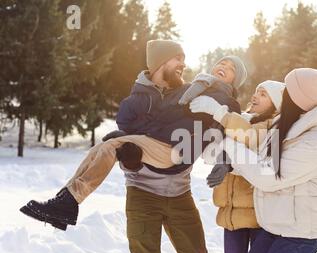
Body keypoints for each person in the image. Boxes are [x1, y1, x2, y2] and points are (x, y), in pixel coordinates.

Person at [20, 39, 246, 231]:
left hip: (176, 150)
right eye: (221, 62)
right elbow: (160, 118)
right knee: (100, 147)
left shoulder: (228, 101)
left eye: (231, 68)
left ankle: (68, 203)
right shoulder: (192, 89)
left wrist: (224, 162)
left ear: (234, 81)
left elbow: (229, 135)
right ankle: (64, 200)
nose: (223, 66)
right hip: (158, 142)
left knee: (110, 147)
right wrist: (128, 133)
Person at [190, 68, 317, 253]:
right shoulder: (286, 126)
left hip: (299, 235)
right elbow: (260, 160)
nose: (283, 94)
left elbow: (268, 176)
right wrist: (229, 164)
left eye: (288, 91)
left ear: (297, 98)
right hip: (274, 227)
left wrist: (228, 146)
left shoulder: (312, 141)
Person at [202, 80, 285, 253]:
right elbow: (211, 149)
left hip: (259, 219)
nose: (256, 96)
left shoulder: (271, 127)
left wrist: (228, 160)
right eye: (256, 91)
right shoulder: (239, 121)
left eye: (264, 94)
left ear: (276, 104)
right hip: (231, 217)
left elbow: (250, 138)